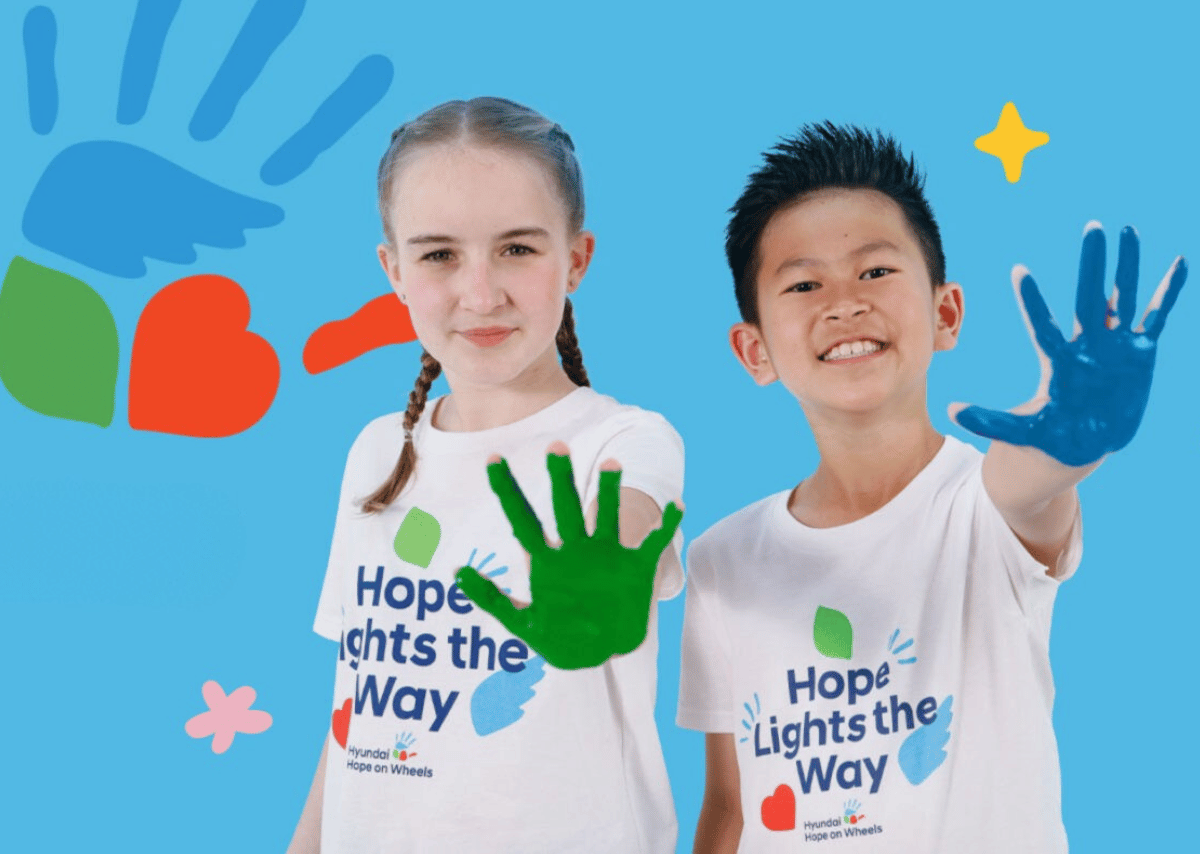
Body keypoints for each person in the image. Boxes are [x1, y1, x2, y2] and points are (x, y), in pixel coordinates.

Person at [676, 122, 1186, 852]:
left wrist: (1071, 439)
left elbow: (1029, 486)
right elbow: (730, 807)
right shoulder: (722, 558)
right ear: (754, 350)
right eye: (804, 284)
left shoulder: (986, 508)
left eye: (875, 271)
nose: (844, 304)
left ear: (945, 313)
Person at [288, 97, 686, 853]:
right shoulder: (376, 452)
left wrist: (603, 598)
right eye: (439, 255)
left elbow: (625, 538)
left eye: (517, 249)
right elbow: (357, 706)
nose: (481, 294)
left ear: (576, 260)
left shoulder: (627, 443)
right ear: (394, 271)